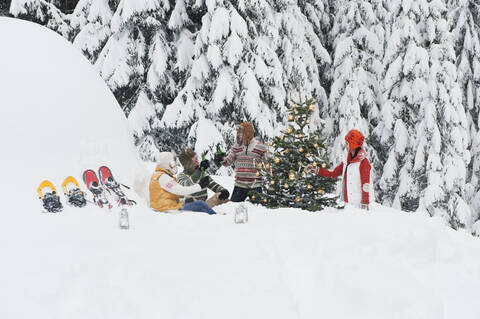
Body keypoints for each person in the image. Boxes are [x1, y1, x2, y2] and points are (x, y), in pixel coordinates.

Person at [305, 129, 372, 210]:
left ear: (353, 144)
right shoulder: (346, 161)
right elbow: (333, 173)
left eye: (347, 143)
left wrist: (365, 202)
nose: (345, 145)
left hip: (358, 206)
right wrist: (316, 170)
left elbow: (365, 184)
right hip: (347, 205)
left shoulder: (363, 162)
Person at [149, 151, 217, 214]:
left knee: (194, 202)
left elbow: (167, 195)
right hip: (168, 209)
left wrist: (183, 200)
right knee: (200, 204)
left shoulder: (158, 175)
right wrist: (200, 186)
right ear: (168, 164)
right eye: (173, 163)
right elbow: (181, 190)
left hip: (165, 207)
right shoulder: (163, 177)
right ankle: (216, 217)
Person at [214, 122, 267, 202]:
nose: (238, 135)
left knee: (258, 210)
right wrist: (220, 160)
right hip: (239, 185)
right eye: (237, 132)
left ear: (247, 133)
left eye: (240, 132)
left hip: (255, 186)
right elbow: (228, 161)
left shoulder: (260, 147)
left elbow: (269, 164)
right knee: (233, 209)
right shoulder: (236, 147)